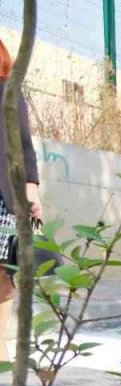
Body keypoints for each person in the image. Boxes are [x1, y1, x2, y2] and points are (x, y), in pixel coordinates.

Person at [0, 38, 42, 362]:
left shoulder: (7, 90)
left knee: (3, 281)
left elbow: (24, 145)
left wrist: (31, 191)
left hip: (3, 200)